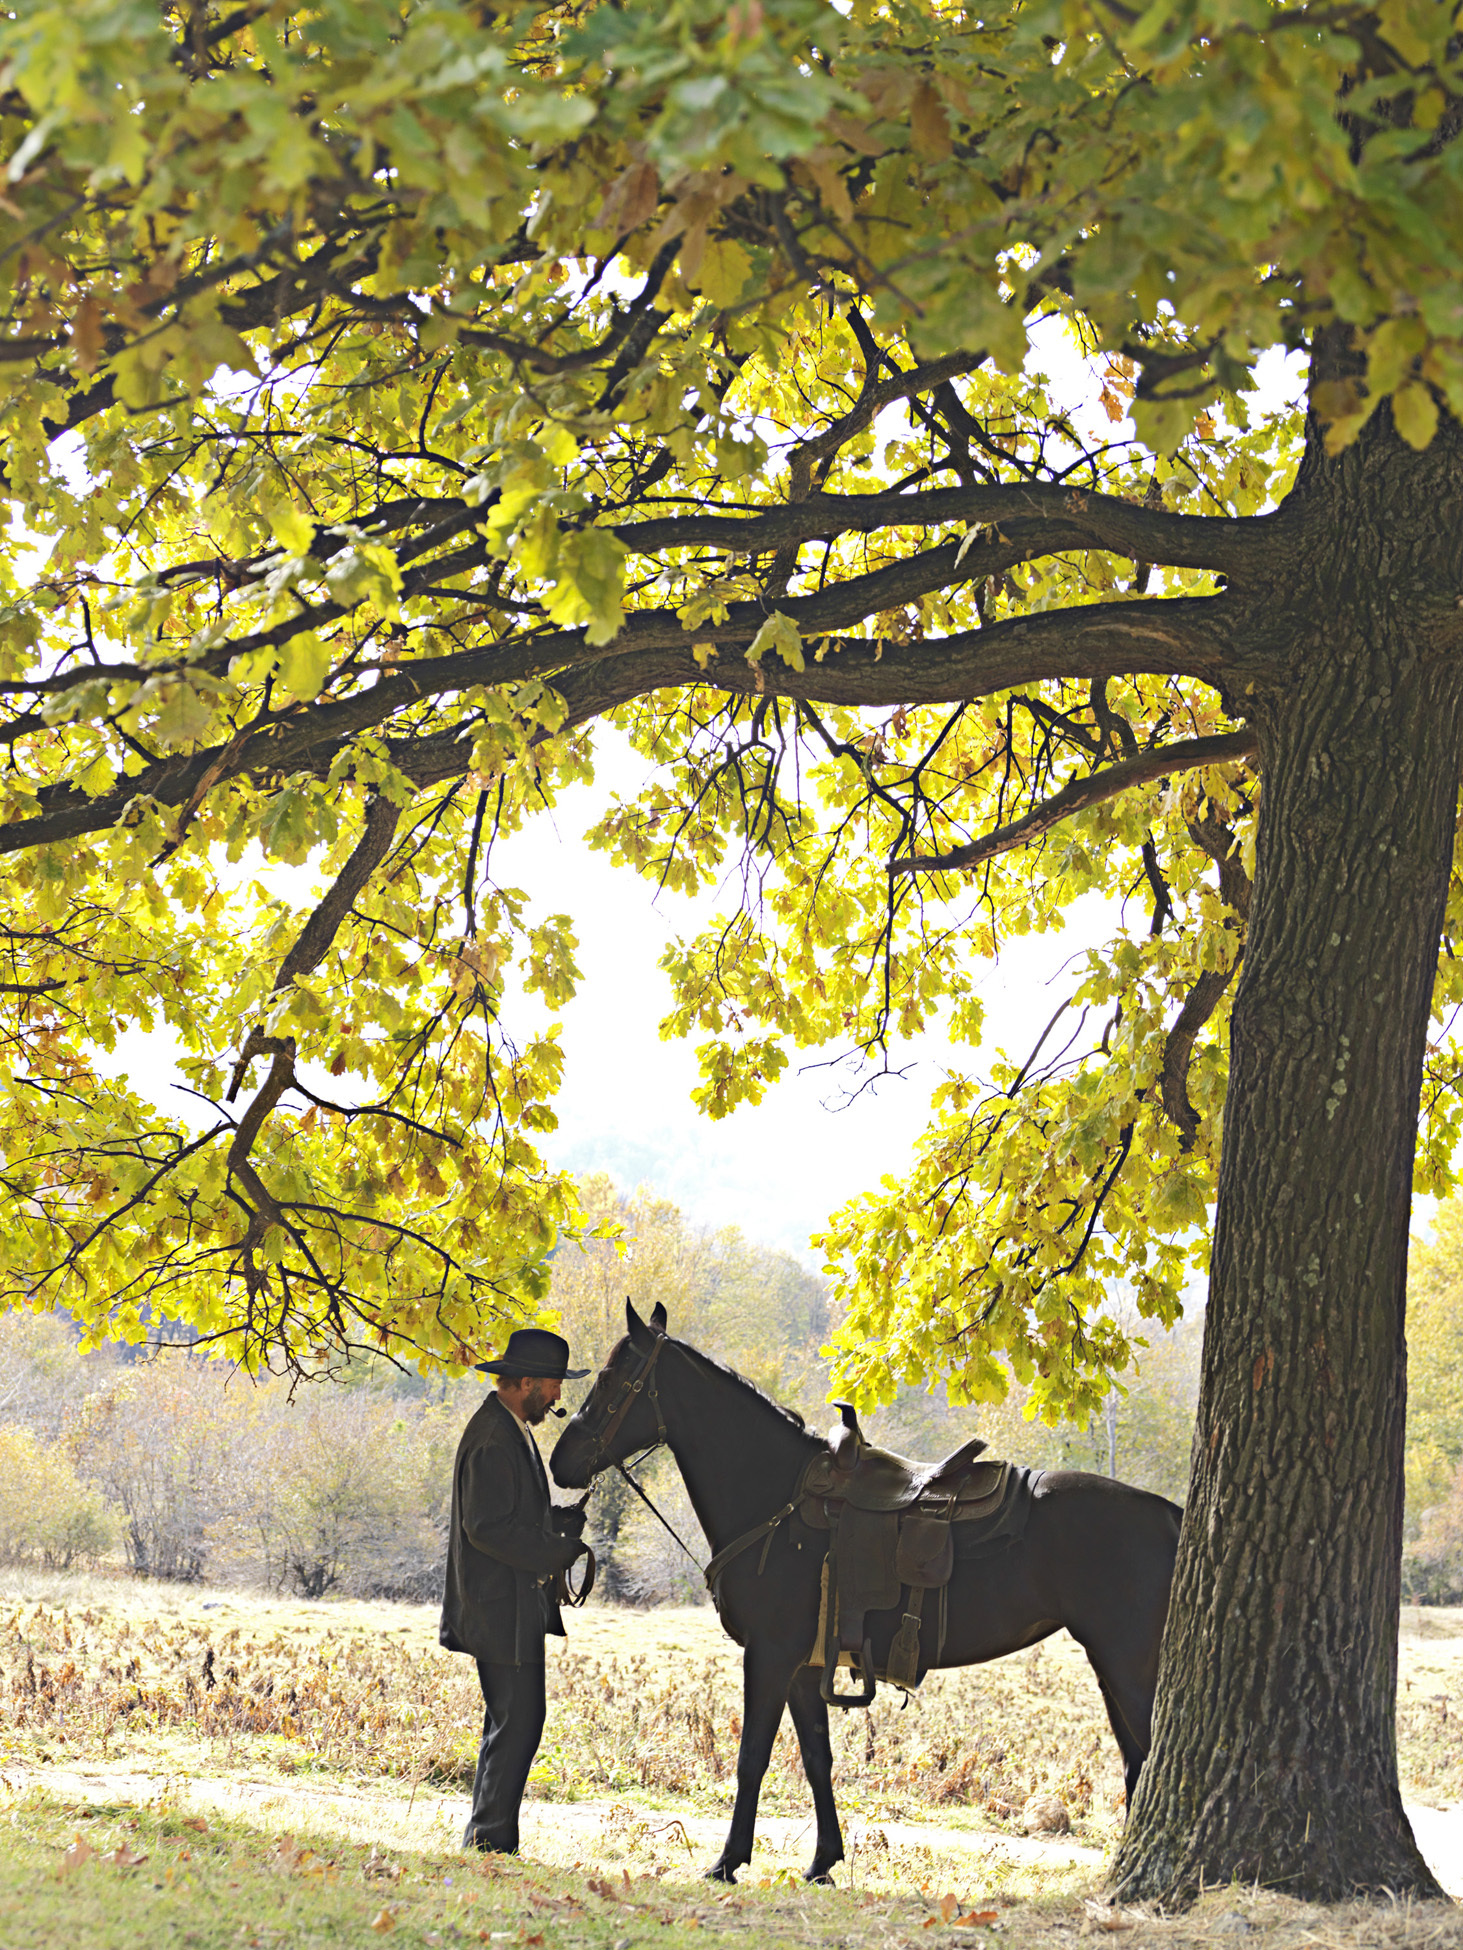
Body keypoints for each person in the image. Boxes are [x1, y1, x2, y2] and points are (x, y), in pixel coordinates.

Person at [440, 1327, 591, 1855]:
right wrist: (554, 1552)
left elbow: (509, 1515)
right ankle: (488, 1842)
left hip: (510, 1607)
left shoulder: (509, 1428)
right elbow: (487, 1527)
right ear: (524, 1381)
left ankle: (488, 1838)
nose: (556, 1397)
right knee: (519, 1722)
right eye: (551, 1385)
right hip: (498, 1608)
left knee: (512, 1721)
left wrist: (556, 1523)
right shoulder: (492, 1437)